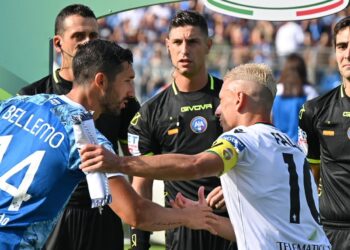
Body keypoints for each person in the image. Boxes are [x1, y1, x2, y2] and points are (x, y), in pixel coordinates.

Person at [80, 63, 331, 250]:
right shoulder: (290, 148)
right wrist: (203, 219)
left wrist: (119, 163)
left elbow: (195, 164)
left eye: (222, 101)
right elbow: (261, 232)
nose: (218, 110)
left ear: (239, 99)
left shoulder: (241, 139)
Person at [0, 39, 219, 250]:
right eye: (127, 81)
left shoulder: (18, 103)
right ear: (101, 81)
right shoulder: (86, 137)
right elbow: (135, 212)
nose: (132, 92)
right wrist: (189, 217)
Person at [18, 4, 140, 250]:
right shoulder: (32, 95)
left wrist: (138, 223)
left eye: (93, 36)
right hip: (50, 217)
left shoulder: (119, 97)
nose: (87, 42)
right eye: (78, 36)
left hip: (105, 214)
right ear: (58, 43)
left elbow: (135, 162)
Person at [127, 10, 235, 250]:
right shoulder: (149, 113)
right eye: (177, 42)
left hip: (234, 226)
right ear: (167, 45)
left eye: (193, 41)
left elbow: (259, 158)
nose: (184, 50)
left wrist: (234, 190)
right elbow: (141, 185)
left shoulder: (233, 100)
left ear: (208, 45)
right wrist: (138, 245)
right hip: (182, 233)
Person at [298, 16, 350, 250]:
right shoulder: (314, 111)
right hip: (331, 231)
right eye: (342, 46)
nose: (347, 54)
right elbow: (310, 172)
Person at [272, 53, 318, 142]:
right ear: (303, 71)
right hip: (301, 148)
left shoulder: (276, 90)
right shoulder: (309, 92)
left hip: (278, 144)